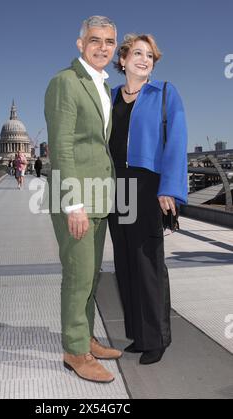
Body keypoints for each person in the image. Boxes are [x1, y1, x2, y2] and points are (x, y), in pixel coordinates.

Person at [44, 16, 122, 383]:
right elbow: (61, 148)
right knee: (77, 275)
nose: (103, 47)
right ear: (80, 44)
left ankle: (86, 337)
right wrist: (73, 203)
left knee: (91, 274)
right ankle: (76, 352)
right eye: (95, 40)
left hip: (100, 195)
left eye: (109, 41)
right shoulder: (65, 83)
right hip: (77, 197)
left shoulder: (103, 87)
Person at [108, 34, 188, 365]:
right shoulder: (109, 97)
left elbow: (177, 140)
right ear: (123, 60)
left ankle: (157, 338)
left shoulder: (165, 93)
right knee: (125, 261)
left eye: (150, 55)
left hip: (148, 183)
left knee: (149, 262)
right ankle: (138, 336)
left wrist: (169, 187)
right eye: (137, 53)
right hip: (116, 186)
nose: (145, 59)